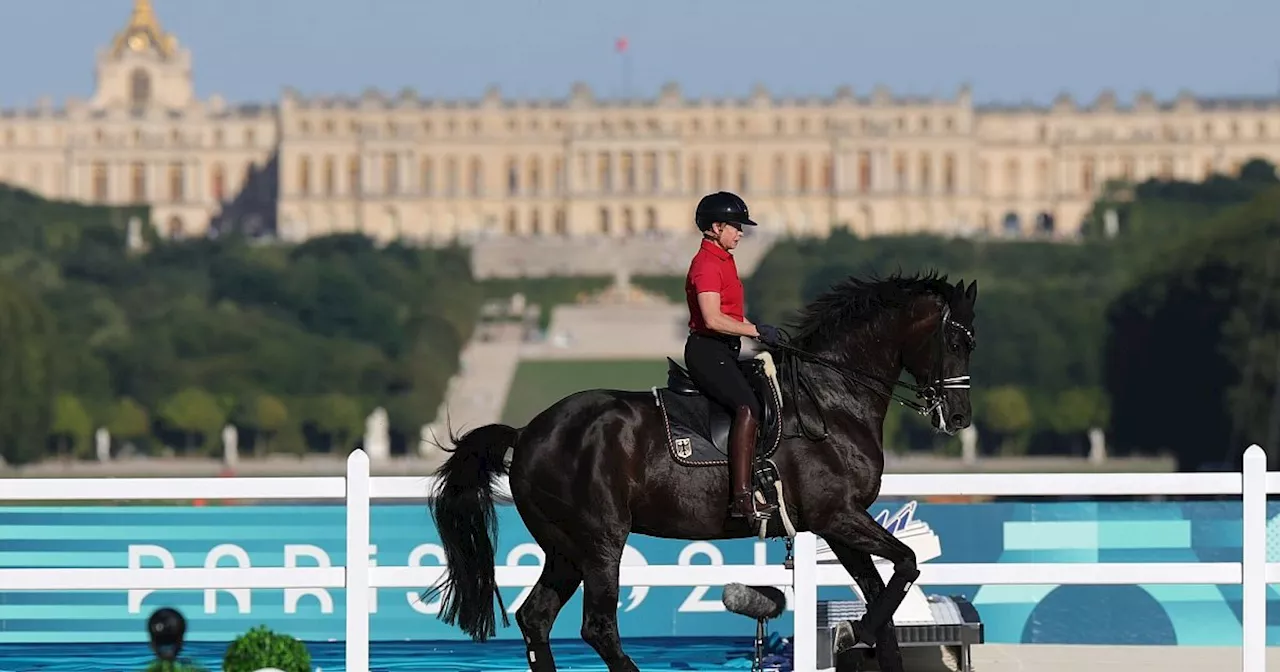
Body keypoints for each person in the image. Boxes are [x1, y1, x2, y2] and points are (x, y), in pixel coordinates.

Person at [683, 191, 783, 522]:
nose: (741, 233)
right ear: (716, 227)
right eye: (736, 227)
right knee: (747, 406)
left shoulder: (724, 259)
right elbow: (712, 318)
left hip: (725, 348)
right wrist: (755, 331)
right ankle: (741, 498)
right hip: (708, 350)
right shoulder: (707, 264)